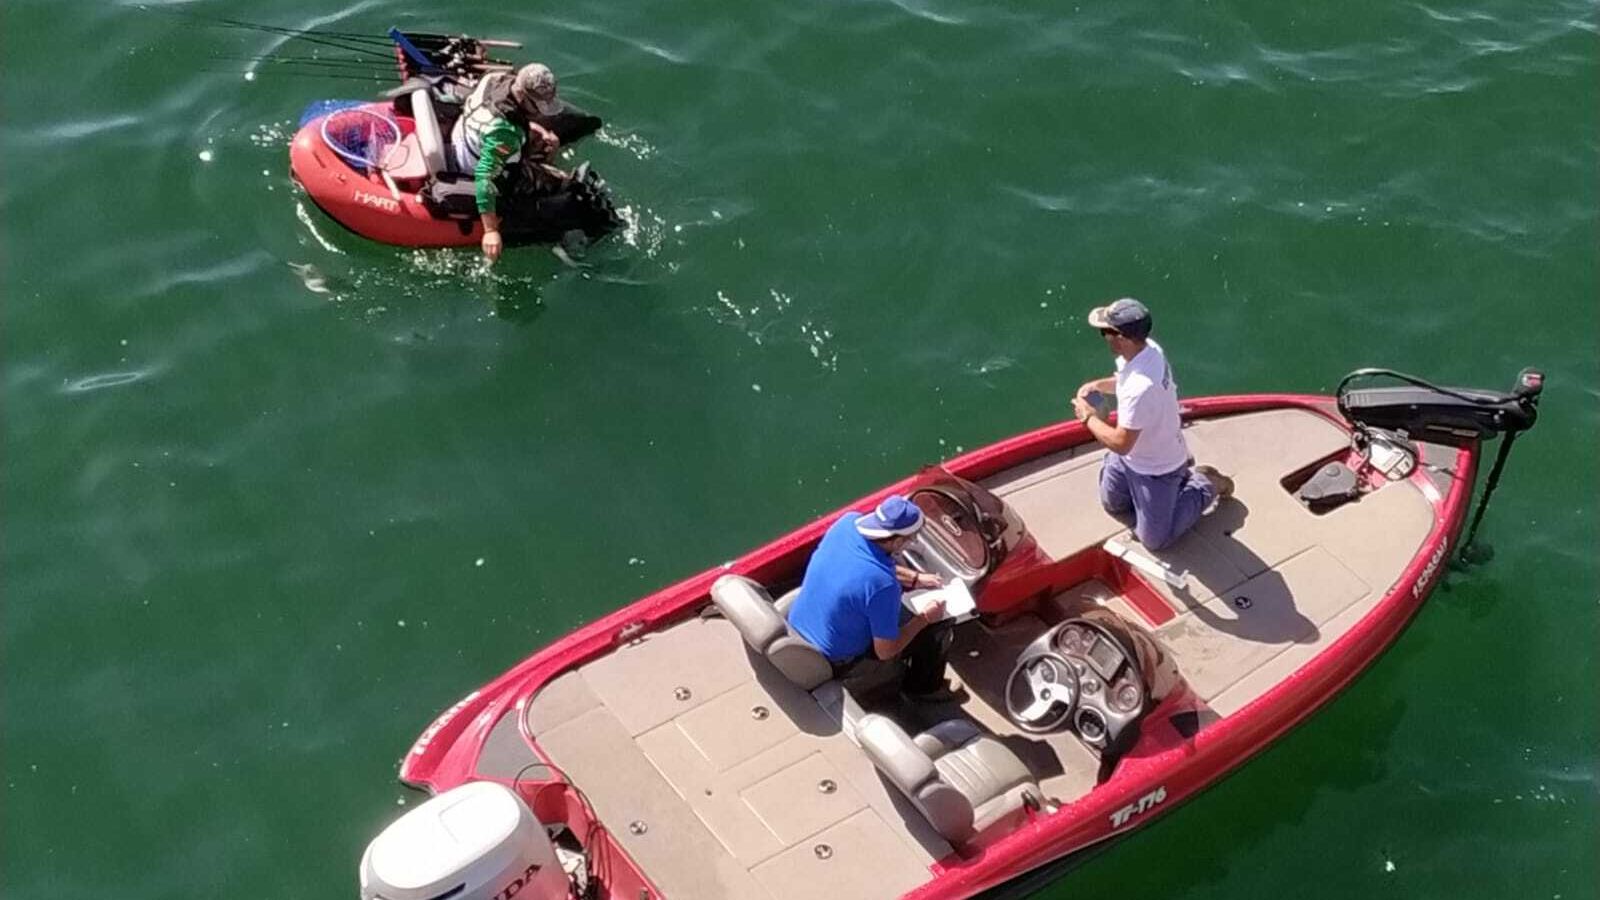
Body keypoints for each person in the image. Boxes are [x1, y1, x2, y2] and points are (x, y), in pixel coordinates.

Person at [1071, 298, 1234, 550]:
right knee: (1113, 504)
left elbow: (1121, 443)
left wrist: (1087, 417)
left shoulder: (1141, 388)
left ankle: (1205, 483)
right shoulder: (1147, 352)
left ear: (1121, 338)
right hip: (1131, 458)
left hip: (1157, 468)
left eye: (1106, 331)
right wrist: (1098, 386)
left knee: (1155, 540)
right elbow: (1124, 381)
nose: (1103, 336)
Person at [786, 496, 957, 701]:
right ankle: (924, 690)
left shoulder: (846, 524)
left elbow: (866, 564)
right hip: (839, 661)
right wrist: (925, 618)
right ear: (898, 540)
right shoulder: (883, 586)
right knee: (940, 627)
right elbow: (885, 651)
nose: (912, 542)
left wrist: (915, 579)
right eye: (911, 538)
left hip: (798, 626)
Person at [450, 63, 567, 263]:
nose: (542, 111)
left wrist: (529, 128)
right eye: (538, 105)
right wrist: (491, 230)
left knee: (544, 143)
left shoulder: (493, 78)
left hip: (466, 137)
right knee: (564, 186)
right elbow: (484, 177)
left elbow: (500, 114)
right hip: (472, 165)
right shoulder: (505, 135)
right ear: (522, 96)